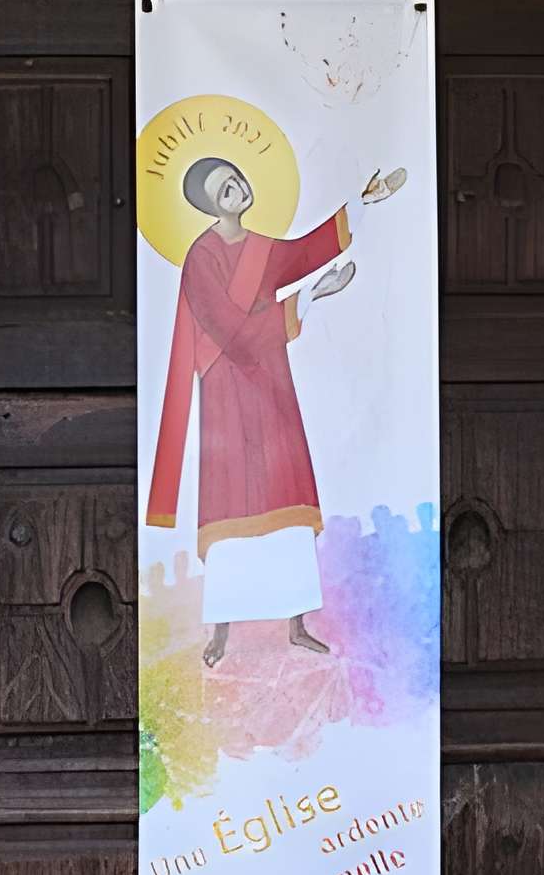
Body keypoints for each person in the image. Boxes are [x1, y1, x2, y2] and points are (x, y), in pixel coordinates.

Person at [144, 155, 408, 666]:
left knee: (284, 492)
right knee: (232, 501)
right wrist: (308, 297)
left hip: (271, 382)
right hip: (228, 389)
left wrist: (363, 201)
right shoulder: (202, 258)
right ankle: (220, 631)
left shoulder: (261, 246)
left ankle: (296, 623)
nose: (236, 190)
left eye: (236, 179)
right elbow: (226, 330)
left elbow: (306, 250)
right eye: (224, 189)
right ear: (207, 204)